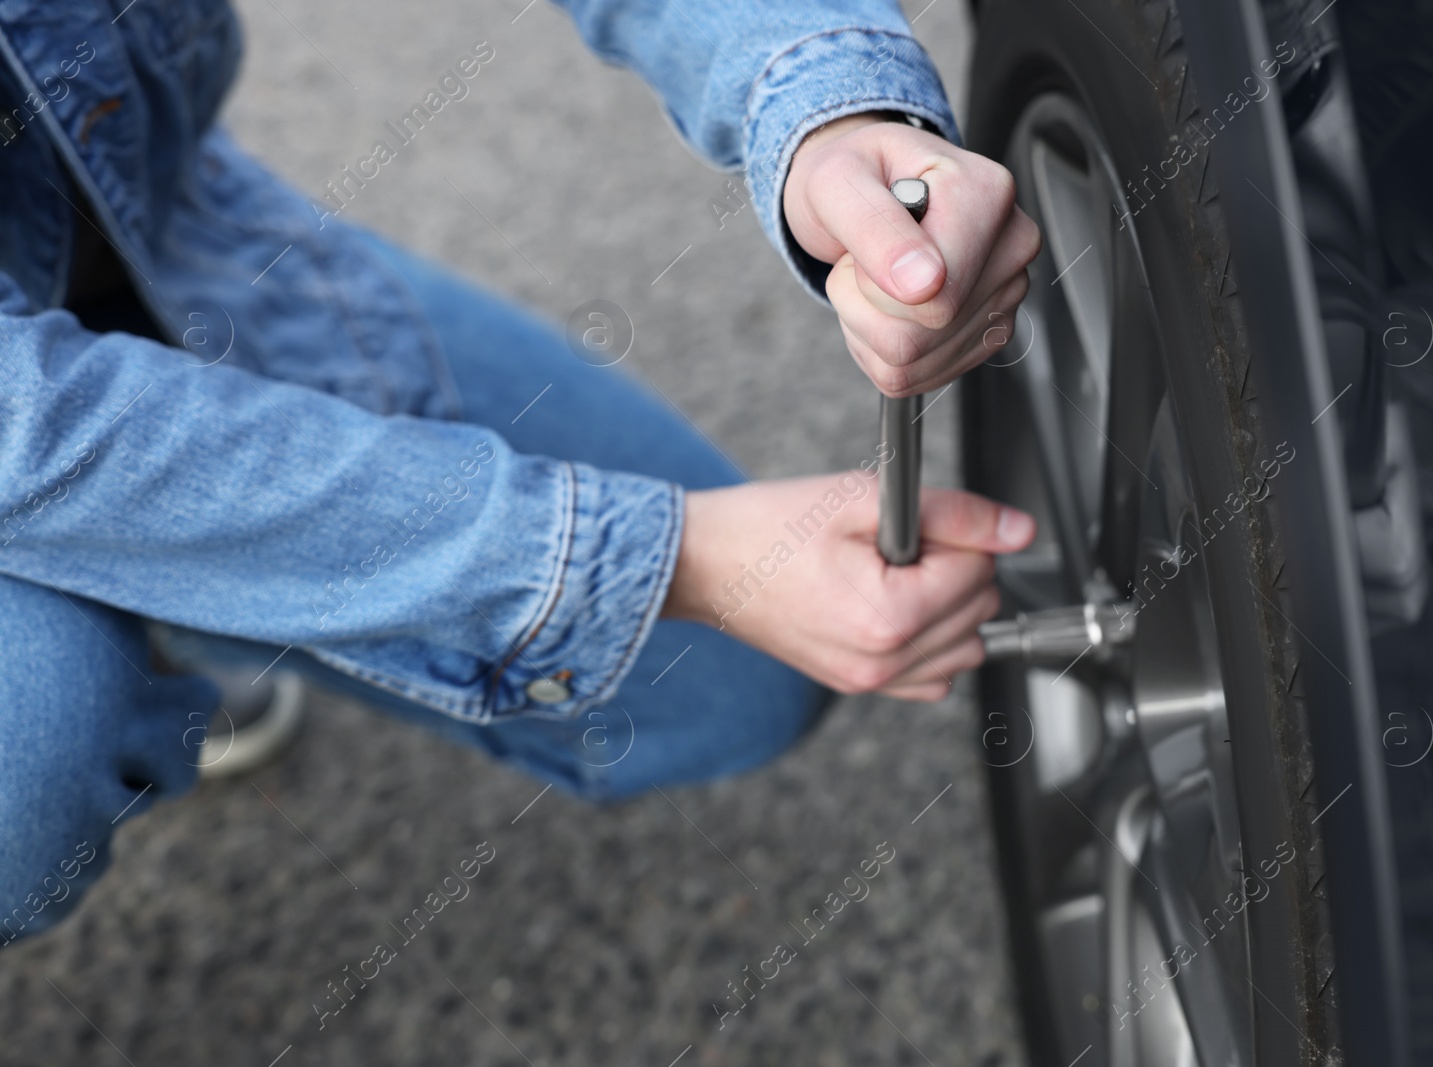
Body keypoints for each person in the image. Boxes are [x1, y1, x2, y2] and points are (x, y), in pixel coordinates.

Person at [0, 0, 1040, 943]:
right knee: (36, 741)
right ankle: (122, 607)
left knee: (729, 682)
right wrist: (672, 556)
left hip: (159, 263)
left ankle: (178, 577)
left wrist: (826, 112)